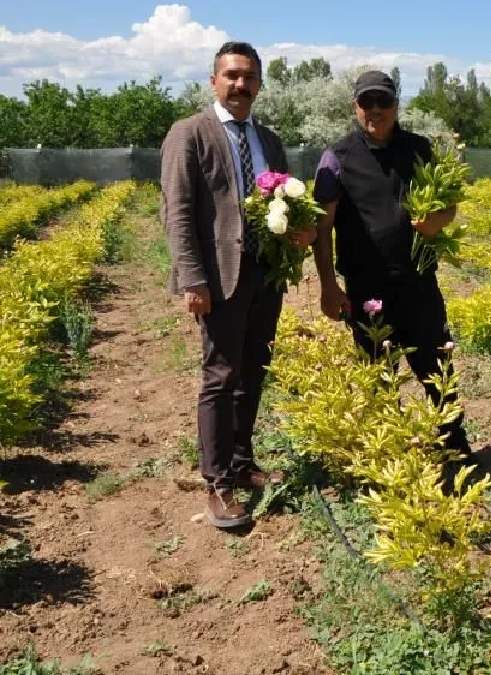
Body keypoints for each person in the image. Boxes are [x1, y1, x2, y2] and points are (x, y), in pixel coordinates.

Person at [161, 41, 316, 529]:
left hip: (265, 273)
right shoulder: (190, 134)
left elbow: (283, 200)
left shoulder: (267, 139)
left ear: (259, 84)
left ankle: (243, 463)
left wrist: (297, 232)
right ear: (213, 81)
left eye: (248, 77)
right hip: (220, 276)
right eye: (230, 75)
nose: (240, 84)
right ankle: (218, 481)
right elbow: (178, 213)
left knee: (254, 368)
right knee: (220, 375)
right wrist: (192, 279)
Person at [311, 70, 472, 472]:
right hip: (367, 288)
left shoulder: (420, 149)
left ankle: (454, 446)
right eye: (367, 103)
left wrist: (440, 221)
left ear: (397, 105)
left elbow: (448, 204)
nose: (376, 110)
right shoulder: (337, 158)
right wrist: (329, 286)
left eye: (384, 102)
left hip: (419, 282)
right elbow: (322, 227)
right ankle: (391, 455)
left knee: (436, 367)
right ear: (355, 107)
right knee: (379, 375)